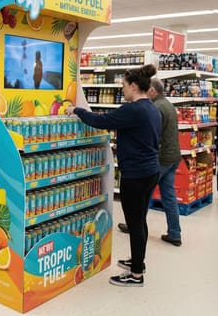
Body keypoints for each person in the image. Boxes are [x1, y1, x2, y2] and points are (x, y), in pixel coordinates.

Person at [65, 64, 160, 287]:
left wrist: (77, 110)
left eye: (125, 86)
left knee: (134, 224)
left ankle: (136, 275)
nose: (123, 90)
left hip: (136, 174)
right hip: (150, 171)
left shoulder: (133, 110)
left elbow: (101, 121)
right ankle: (139, 262)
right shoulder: (152, 108)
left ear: (134, 86)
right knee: (140, 221)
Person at [117, 78, 182, 246]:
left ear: (153, 91)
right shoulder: (167, 104)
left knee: (141, 197)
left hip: (160, 158)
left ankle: (135, 225)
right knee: (168, 196)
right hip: (173, 156)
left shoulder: (155, 107)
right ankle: (175, 233)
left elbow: (150, 135)